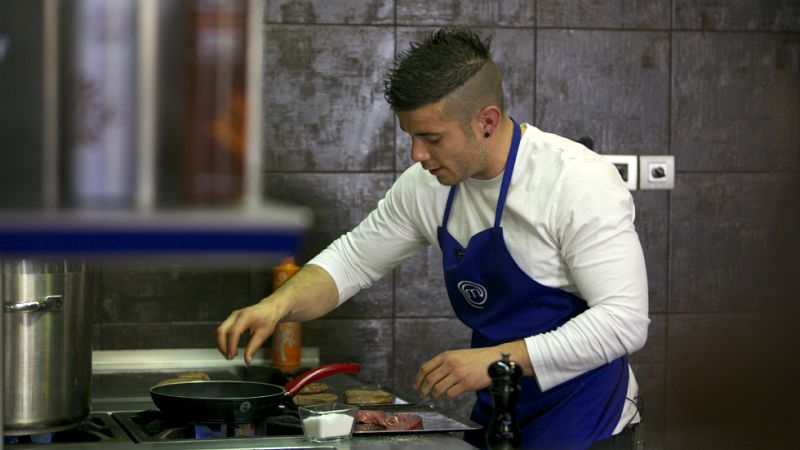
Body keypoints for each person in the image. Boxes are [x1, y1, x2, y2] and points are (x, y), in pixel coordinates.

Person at [217, 26, 649, 449]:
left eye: (431, 138)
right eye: (411, 136)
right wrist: (278, 305)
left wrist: (499, 360)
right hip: (501, 412)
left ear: (486, 121)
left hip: (589, 420)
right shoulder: (426, 186)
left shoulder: (575, 182)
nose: (416, 154)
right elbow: (351, 261)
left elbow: (624, 322)